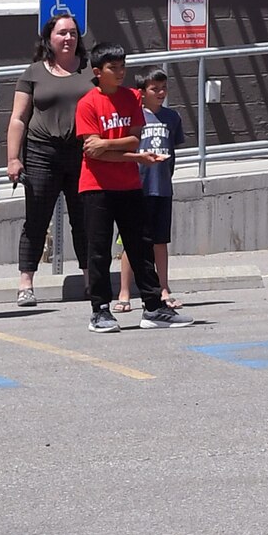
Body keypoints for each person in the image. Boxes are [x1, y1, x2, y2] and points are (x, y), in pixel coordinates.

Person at [75, 44, 187, 331]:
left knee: (141, 245)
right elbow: (92, 153)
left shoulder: (130, 99)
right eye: (114, 68)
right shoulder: (87, 103)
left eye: (123, 66)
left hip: (129, 185)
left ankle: (153, 307)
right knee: (98, 249)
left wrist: (108, 143)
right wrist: (125, 152)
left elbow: (134, 139)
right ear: (98, 72)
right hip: (96, 186)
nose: (121, 72)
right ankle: (100, 310)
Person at [7, 12, 92, 307]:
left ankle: (90, 281)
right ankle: (26, 284)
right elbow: (18, 118)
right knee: (36, 219)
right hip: (42, 152)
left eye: (72, 33)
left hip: (82, 153)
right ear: (49, 38)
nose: (68, 38)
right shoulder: (33, 73)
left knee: (85, 220)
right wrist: (13, 158)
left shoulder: (90, 70)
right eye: (61, 33)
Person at [116, 68, 185, 310]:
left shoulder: (172, 117)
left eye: (164, 87)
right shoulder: (133, 117)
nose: (161, 93)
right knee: (130, 241)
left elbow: (174, 151)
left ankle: (164, 289)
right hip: (136, 188)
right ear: (142, 92)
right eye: (154, 88)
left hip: (162, 188)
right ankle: (124, 292)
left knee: (160, 241)